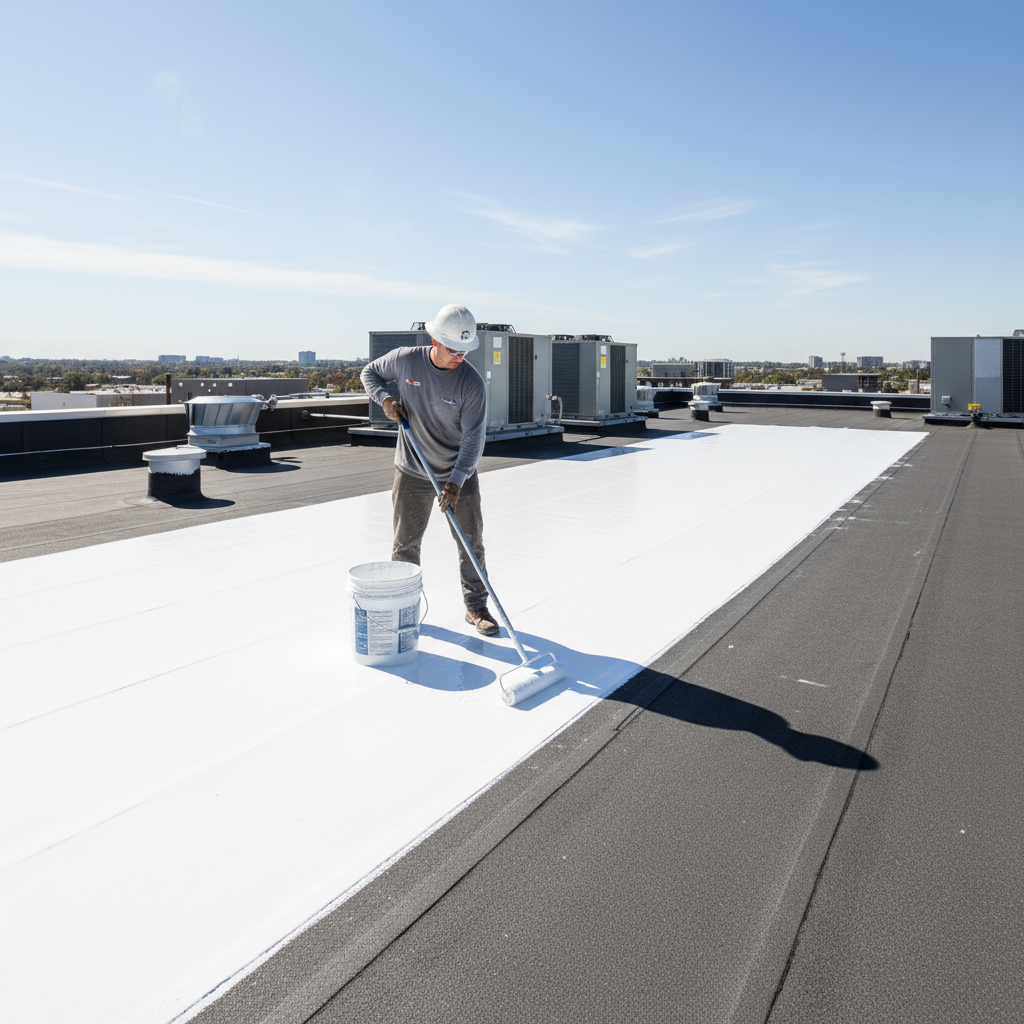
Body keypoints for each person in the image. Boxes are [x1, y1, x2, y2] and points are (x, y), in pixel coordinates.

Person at [360, 304, 498, 636]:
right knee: (405, 544)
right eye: (453, 349)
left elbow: (473, 440)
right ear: (435, 340)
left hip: (457, 474)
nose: (459, 357)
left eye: (465, 351)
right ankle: (403, 607)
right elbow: (369, 373)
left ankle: (476, 607)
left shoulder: (471, 384)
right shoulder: (405, 359)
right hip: (412, 471)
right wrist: (385, 401)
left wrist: (456, 482)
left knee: (470, 543)